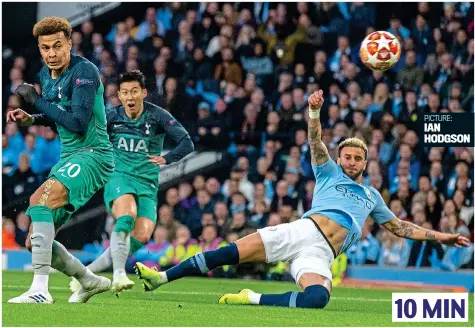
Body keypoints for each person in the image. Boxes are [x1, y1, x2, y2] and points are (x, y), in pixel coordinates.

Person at [135, 90, 470, 309]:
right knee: (227, 253)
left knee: (318, 299)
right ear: (340, 160)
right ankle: (160, 277)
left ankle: (253, 298)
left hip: (320, 252)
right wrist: (314, 114)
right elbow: (315, 142)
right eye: (347, 157)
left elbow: (400, 227)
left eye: (358, 158)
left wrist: (442, 236)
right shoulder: (327, 173)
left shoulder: (371, 196)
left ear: (366, 163)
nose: (352, 161)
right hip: (302, 231)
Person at [6, 17, 115, 304]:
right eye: (45, 48)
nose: (52, 53)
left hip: (94, 154)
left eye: (57, 46)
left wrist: (35, 101)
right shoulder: (45, 75)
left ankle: (40, 290)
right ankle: (89, 281)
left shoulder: (85, 73)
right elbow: (61, 117)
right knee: (33, 242)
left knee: (39, 200)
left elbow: (78, 122)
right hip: (69, 157)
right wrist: (33, 119)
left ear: (69, 43)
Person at [70, 70, 194, 296]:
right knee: (126, 217)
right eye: (125, 92)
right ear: (118, 95)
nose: (130, 97)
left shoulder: (158, 116)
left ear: (143, 93)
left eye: (134, 91)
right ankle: (118, 274)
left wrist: (167, 158)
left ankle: (86, 275)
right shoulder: (111, 117)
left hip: (147, 184)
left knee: (142, 236)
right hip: (119, 177)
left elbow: (187, 142)